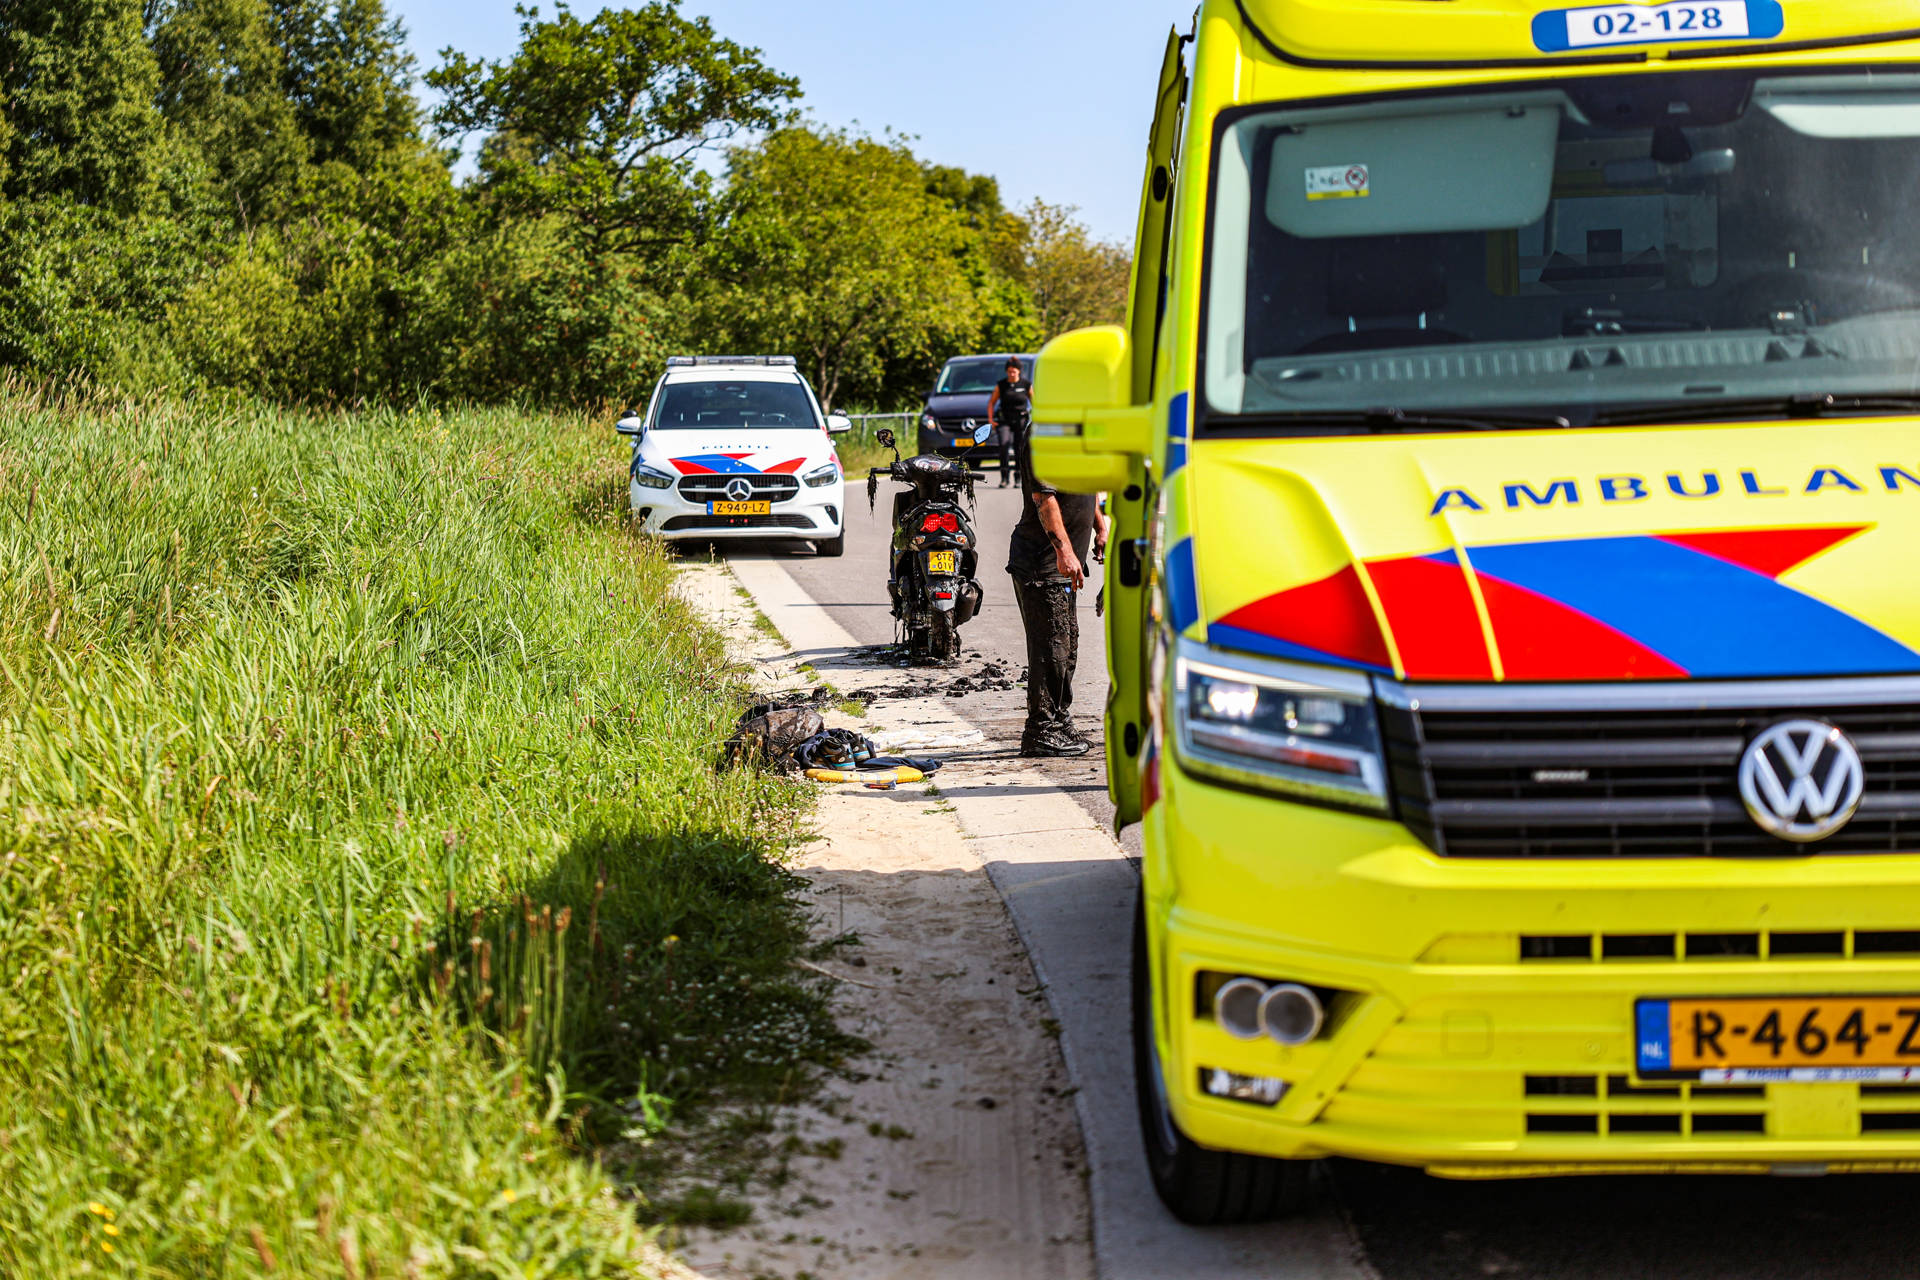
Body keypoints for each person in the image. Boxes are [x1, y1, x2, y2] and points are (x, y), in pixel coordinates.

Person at [1007, 426, 1108, 758]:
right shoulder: (1044, 433)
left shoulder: (1077, 431)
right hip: (1041, 564)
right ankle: (1041, 730)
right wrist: (1064, 551)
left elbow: (1084, 485)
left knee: (1067, 647)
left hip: (1061, 567)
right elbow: (1044, 498)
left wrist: (1099, 526)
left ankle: (1059, 721)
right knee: (1051, 649)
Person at [983, 359, 1030, 488]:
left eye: (1014, 372)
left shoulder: (1026, 385)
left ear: (1019, 371)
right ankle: (1004, 477)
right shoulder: (1001, 385)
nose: (1011, 374)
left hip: (1020, 420)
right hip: (1004, 420)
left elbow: (1034, 402)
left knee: (1019, 448)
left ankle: (1018, 477)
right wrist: (990, 419)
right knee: (1004, 445)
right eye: (1009, 372)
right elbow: (991, 403)